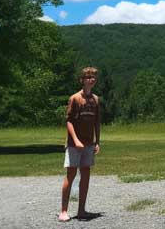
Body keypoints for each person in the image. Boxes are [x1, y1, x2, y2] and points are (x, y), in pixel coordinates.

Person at [59, 67, 101, 222]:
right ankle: (64, 211)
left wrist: (98, 141)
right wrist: (75, 140)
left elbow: (97, 122)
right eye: (88, 77)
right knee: (71, 174)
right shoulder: (75, 99)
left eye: (94, 77)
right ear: (82, 80)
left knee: (86, 175)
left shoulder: (95, 100)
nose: (92, 79)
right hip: (74, 144)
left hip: (89, 144)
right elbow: (69, 121)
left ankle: (82, 210)